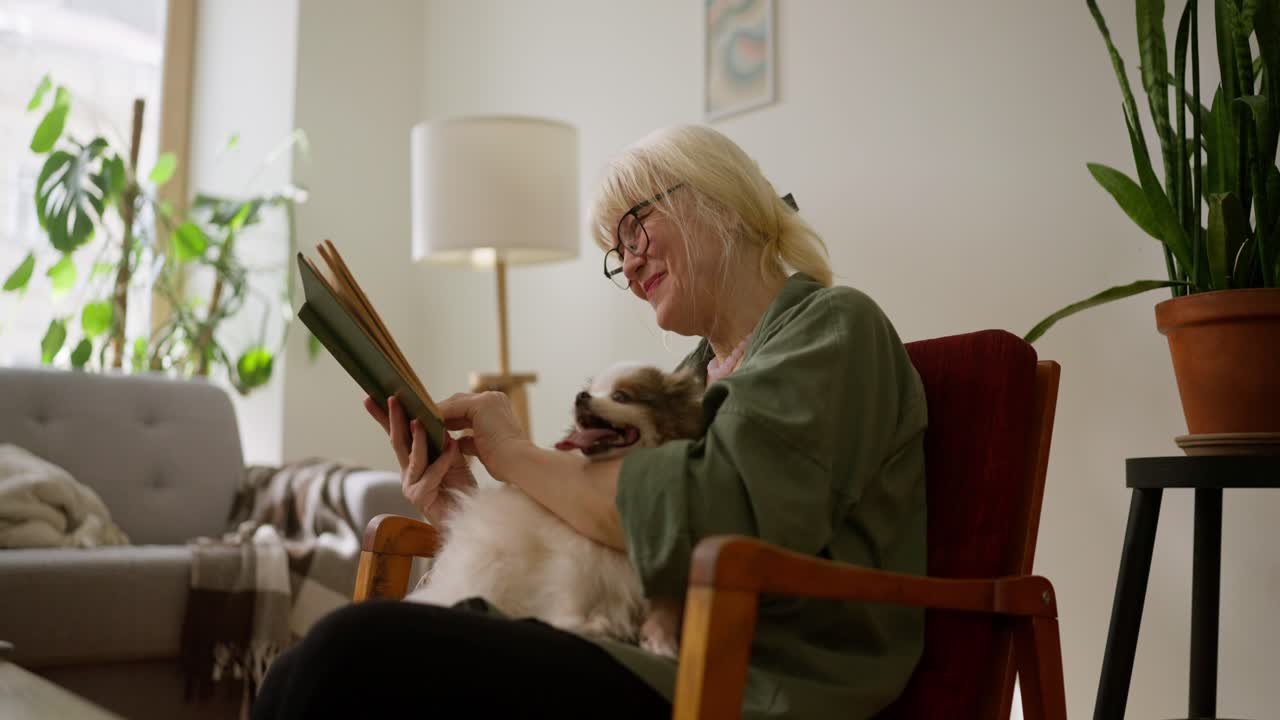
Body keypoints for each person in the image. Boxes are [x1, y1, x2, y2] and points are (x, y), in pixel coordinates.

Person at [252, 125, 928, 720]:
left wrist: (514, 453)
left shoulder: (833, 327)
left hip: (751, 679)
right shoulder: (688, 382)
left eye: (635, 228)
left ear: (718, 197)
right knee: (294, 671)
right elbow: (603, 551)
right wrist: (461, 504)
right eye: (617, 251)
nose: (628, 265)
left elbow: (709, 519)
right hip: (637, 647)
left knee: (347, 656)